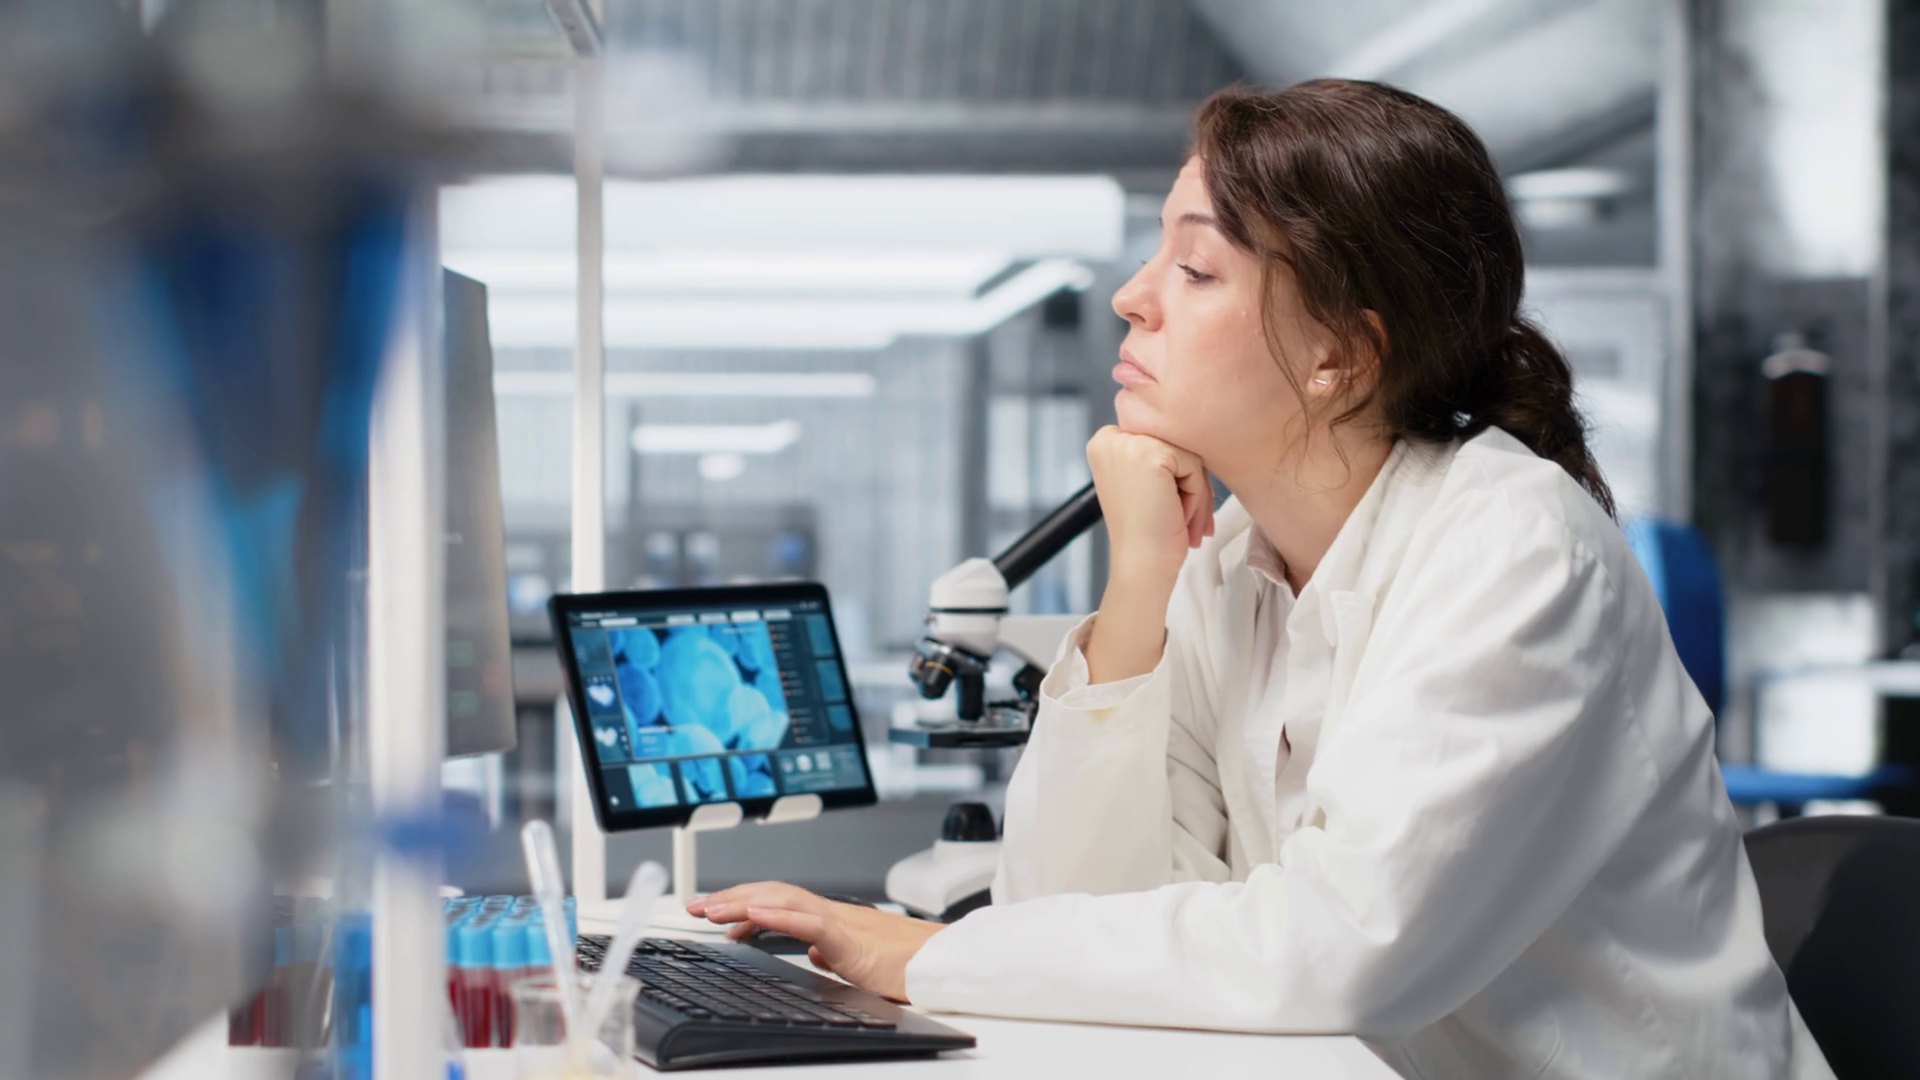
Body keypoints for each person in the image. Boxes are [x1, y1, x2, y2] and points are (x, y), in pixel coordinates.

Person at [689, 80, 1834, 1080]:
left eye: (1194, 268)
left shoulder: (1513, 546)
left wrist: (929, 953)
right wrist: (1142, 579)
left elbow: (1340, 948)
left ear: (1340, 355)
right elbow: (1077, 909)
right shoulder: (1234, 560)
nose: (1132, 296)